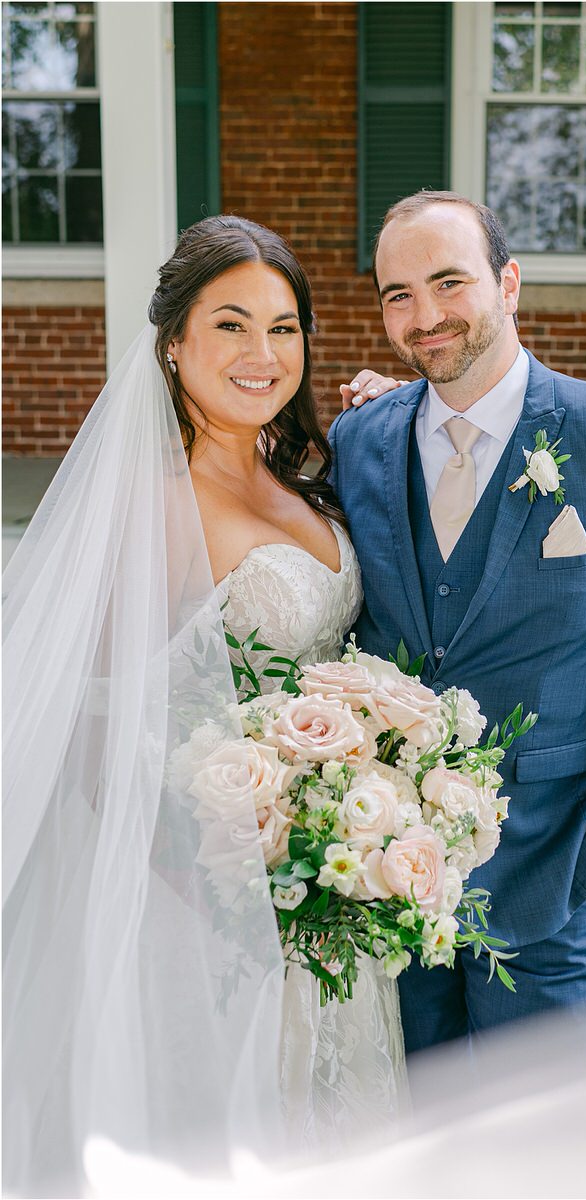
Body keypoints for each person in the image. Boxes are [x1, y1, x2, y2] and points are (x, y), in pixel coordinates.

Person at [3, 215, 406, 1197]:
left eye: (283, 326)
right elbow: (89, 731)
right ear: (174, 341)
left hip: (327, 888)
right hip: (208, 909)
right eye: (230, 325)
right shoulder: (152, 506)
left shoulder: (308, 474)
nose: (261, 354)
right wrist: (232, 882)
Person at [329, 191, 586, 1055]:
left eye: (448, 283)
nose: (424, 317)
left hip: (554, 865)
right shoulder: (359, 439)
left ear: (508, 283)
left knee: (538, 1144)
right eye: (397, 294)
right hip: (389, 870)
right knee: (414, 1131)